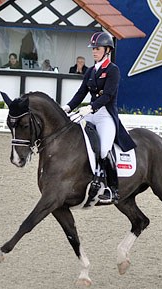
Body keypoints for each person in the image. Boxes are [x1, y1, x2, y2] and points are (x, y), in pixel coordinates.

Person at [62, 32, 136, 204]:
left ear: (107, 50)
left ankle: (112, 189)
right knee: (71, 135)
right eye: (93, 49)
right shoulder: (90, 71)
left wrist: (91, 107)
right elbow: (81, 93)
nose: (94, 52)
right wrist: (67, 108)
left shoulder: (113, 70)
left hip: (105, 115)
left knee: (103, 150)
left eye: (97, 49)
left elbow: (108, 95)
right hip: (90, 113)